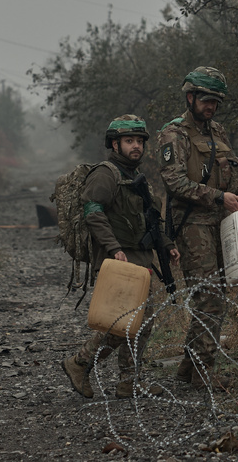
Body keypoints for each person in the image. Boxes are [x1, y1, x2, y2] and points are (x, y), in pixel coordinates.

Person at [61, 114, 180, 399]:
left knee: (139, 323)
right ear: (115, 145)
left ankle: (128, 381)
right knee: (122, 322)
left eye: (139, 141)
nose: (136, 146)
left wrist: (166, 244)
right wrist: (114, 248)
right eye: (129, 141)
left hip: (139, 258)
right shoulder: (106, 174)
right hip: (119, 260)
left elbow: (149, 219)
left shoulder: (135, 177)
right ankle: (81, 362)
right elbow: (93, 212)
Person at [158, 67, 238, 391]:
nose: (211, 106)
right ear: (190, 97)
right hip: (192, 223)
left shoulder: (217, 131)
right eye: (206, 100)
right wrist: (218, 197)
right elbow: (175, 182)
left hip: (221, 222)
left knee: (216, 294)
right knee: (209, 298)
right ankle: (202, 372)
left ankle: (187, 368)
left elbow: (232, 170)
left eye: (215, 101)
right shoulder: (173, 134)